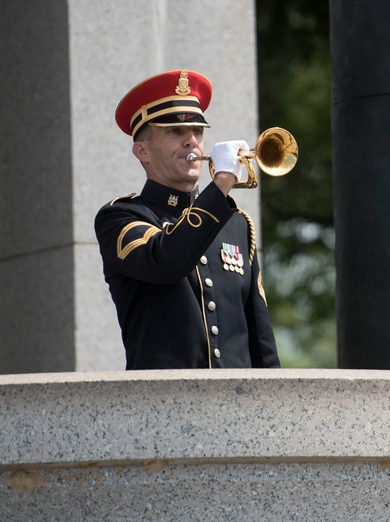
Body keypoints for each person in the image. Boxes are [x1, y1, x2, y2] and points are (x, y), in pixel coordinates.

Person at [94, 70, 281, 370]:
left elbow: (261, 339)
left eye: (198, 131)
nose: (191, 141)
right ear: (142, 151)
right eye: (175, 132)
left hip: (237, 407)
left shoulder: (236, 224)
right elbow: (166, 261)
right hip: (163, 407)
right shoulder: (120, 217)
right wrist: (221, 184)